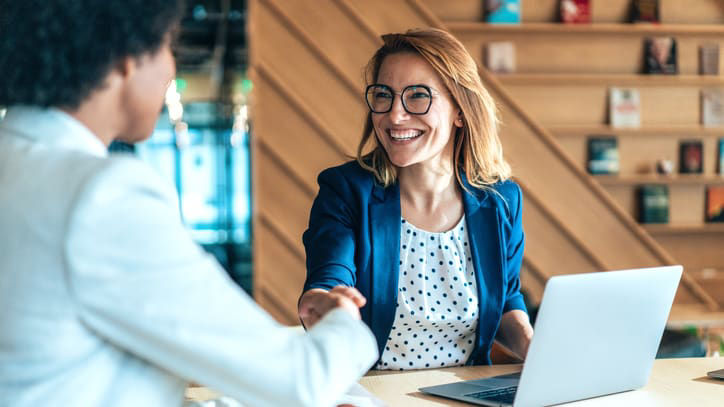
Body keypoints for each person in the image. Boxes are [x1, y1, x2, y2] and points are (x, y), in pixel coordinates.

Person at [0, 1, 377, 406]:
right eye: (167, 46)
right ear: (125, 59)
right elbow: (303, 380)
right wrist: (345, 321)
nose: (172, 69)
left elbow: (74, 375)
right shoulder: (100, 195)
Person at [298, 28, 534, 370]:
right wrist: (325, 305)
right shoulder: (346, 190)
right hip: (372, 392)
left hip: (466, 393)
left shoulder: (501, 200)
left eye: (418, 96)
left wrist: (532, 345)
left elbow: (507, 298)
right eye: (384, 95)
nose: (395, 116)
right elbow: (328, 280)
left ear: (460, 110)